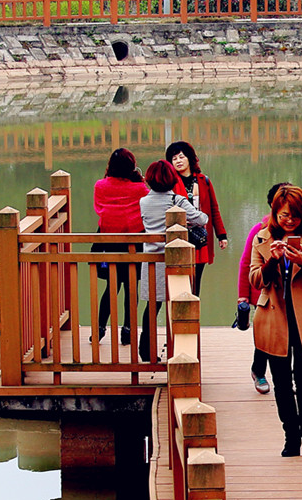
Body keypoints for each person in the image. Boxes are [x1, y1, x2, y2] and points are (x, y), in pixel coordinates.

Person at [249, 185, 302, 457]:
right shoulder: (262, 238)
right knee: (282, 382)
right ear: (275, 212)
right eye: (284, 215)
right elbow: (255, 280)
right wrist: (272, 262)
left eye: (295, 216)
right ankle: (291, 437)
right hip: (275, 315)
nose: (289, 221)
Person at [138, 160, 209, 362]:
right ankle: (179, 351)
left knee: (152, 307)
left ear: (149, 179)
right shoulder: (177, 201)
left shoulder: (144, 201)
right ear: (171, 179)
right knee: (179, 305)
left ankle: (146, 352)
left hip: (150, 260)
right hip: (174, 260)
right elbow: (202, 219)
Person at [236, 182, 290, 395]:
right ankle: (258, 371)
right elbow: (246, 264)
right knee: (265, 334)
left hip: (291, 293)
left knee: (290, 335)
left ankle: (287, 377)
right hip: (264, 295)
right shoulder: (259, 231)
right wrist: (242, 296)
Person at [93, 148, 146, 339]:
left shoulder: (100, 186)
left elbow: (99, 209)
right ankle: (128, 330)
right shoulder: (139, 189)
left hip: (109, 242)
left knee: (111, 286)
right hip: (134, 243)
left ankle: (100, 328)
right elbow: (145, 209)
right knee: (132, 287)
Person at [165, 141, 227, 293]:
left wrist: (221, 235)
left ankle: (195, 312)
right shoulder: (170, 183)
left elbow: (214, 209)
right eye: (174, 159)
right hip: (179, 237)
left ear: (189, 158)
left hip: (200, 236)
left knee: (196, 280)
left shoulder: (203, 181)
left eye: (181, 157)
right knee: (181, 279)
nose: (178, 161)